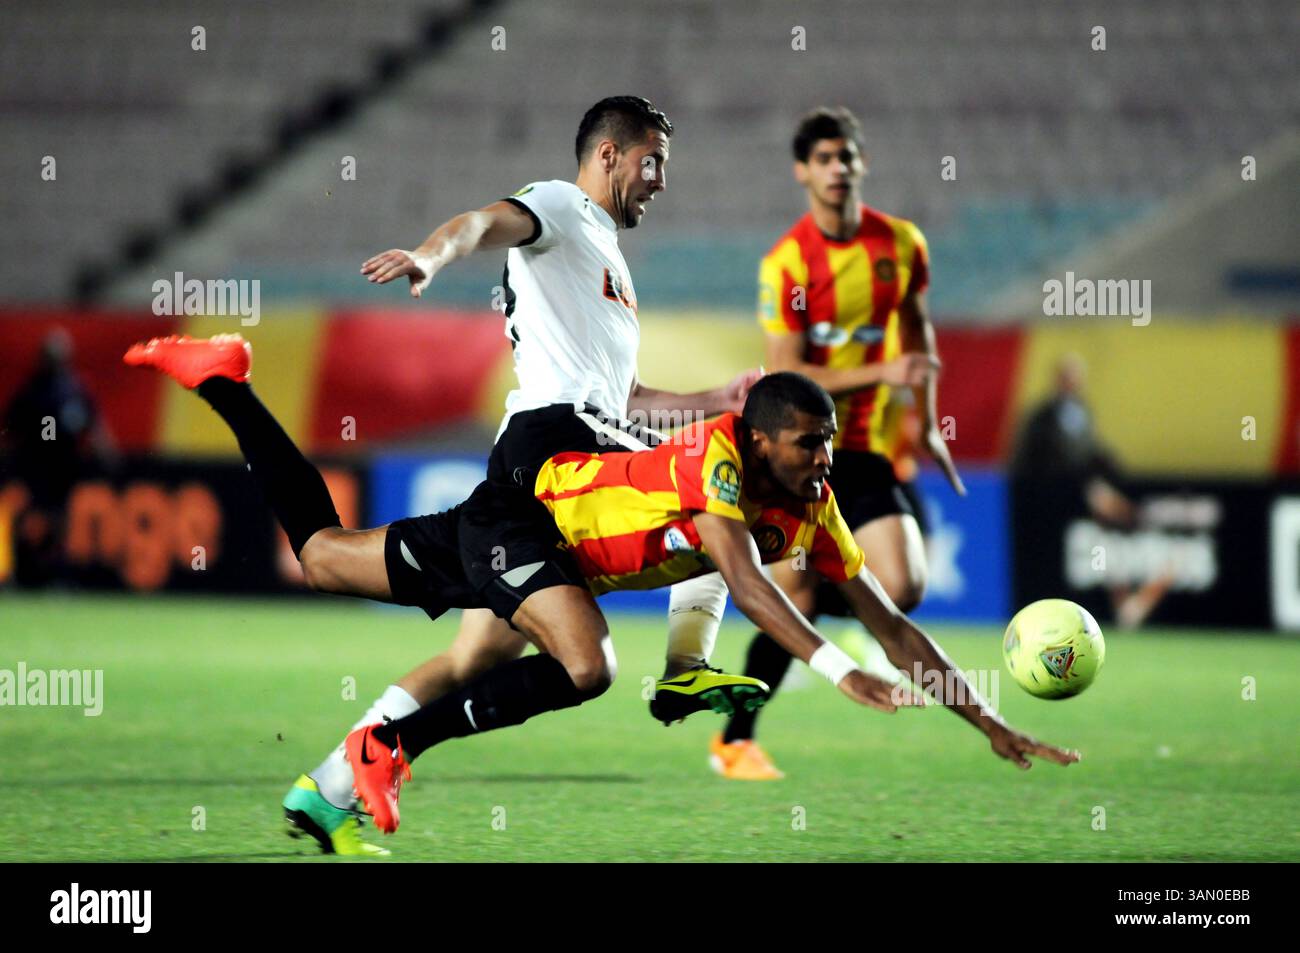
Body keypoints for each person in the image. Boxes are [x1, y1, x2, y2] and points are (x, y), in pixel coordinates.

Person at [123, 335, 1078, 840]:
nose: (824, 461)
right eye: (808, 444)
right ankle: (386, 751)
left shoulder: (812, 500)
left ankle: (225, 384)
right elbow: (744, 584)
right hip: (527, 521)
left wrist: (988, 719)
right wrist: (836, 670)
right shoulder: (718, 462)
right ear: (759, 439)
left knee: (325, 553)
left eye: (829, 445)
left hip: (543, 551)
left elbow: (894, 624)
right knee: (587, 666)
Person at [711, 107, 962, 779]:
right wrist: (882, 372)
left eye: (846, 157)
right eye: (823, 159)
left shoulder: (902, 244)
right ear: (803, 171)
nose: (837, 169)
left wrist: (931, 420)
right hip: (801, 456)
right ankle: (734, 740)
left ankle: (842, 599)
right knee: (794, 603)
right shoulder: (788, 263)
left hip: (869, 448)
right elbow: (788, 376)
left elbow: (919, 337)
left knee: (904, 583)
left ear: (861, 164)